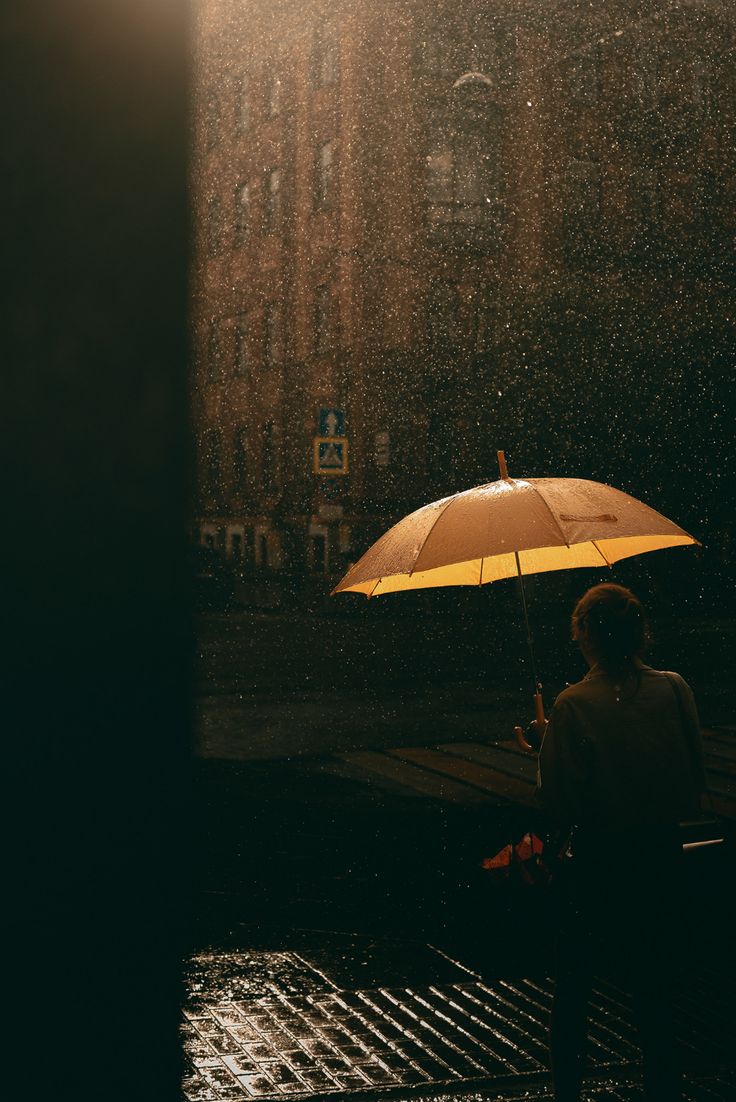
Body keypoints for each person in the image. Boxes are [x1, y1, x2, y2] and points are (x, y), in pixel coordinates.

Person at [530, 582, 705, 1102]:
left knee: (575, 991)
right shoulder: (675, 689)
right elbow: (691, 783)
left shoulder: (574, 704)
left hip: (599, 866)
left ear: (584, 635)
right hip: (660, 859)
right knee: (656, 995)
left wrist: (546, 747)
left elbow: (558, 801)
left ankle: (569, 1093)